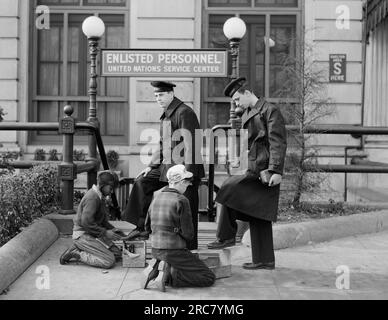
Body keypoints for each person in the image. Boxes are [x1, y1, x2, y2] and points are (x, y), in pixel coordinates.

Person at [207, 77, 287, 270]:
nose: (235, 104)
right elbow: (248, 143)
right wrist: (238, 160)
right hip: (252, 168)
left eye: (236, 99)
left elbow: (278, 142)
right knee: (259, 214)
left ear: (248, 93)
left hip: (264, 170)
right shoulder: (249, 113)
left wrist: (276, 170)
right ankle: (264, 260)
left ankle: (226, 237)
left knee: (227, 190)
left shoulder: (270, 111)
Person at [122, 81, 205, 250]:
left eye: (161, 95)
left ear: (171, 94)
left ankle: (189, 247)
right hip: (166, 167)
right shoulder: (167, 114)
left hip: (183, 170)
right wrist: (152, 166)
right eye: (155, 96)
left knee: (186, 205)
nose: (157, 98)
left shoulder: (184, 113)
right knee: (142, 182)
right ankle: (141, 228)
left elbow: (192, 145)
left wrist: (188, 173)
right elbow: (163, 144)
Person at [140, 164, 215, 291]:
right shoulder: (181, 199)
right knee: (208, 277)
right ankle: (169, 276)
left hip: (155, 250)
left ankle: (158, 265)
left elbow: (147, 227)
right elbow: (189, 234)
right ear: (180, 182)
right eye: (186, 182)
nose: (188, 185)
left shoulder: (156, 197)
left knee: (183, 264)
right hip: (173, 251)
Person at [60, 170, 126, 269]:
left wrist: (113, 230)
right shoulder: (92, 198)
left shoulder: (100, 196)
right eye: (111, 188)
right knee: (109, 260)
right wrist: (105, 233)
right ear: (103, 185)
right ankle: (76, 253)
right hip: (82, 235)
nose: (111, 192)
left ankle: (84, 248)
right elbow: (86, 222)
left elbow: (102, 221)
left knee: (117, 254)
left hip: (92, 234)